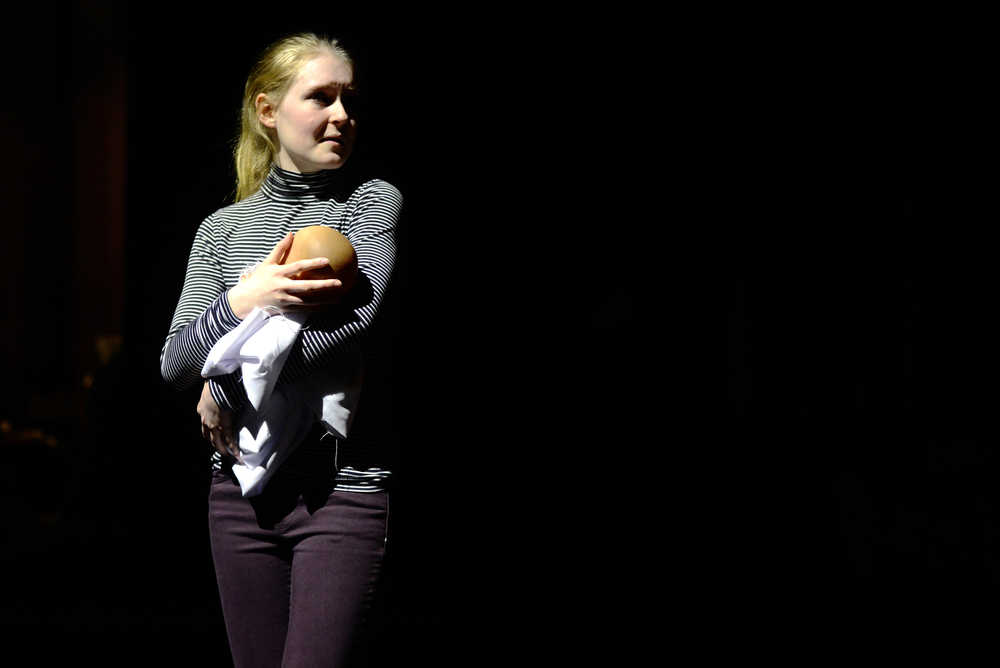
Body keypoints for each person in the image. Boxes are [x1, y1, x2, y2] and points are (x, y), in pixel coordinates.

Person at [160, 32, 403, 667]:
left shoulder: (370, 205)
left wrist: (226, 385)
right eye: (321, 97)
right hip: (240, 496)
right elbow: (175, 365)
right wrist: (244, 301)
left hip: (340, 491)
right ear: (269, 111)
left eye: (349, 99)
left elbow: (346, 327)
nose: (342, 116)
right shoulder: (224, 230)